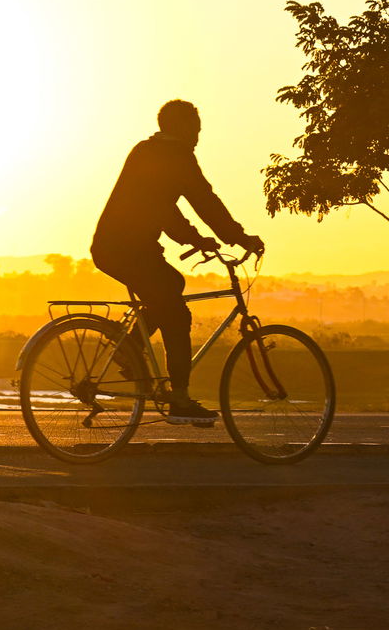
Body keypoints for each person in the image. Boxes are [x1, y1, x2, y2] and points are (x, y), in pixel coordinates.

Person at [90, 100, 264, 424]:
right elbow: (204, 200)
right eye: (195, 130)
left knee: (171, 285)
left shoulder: (146, 151)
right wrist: (240, 238)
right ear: (182, 128)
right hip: (128, 248)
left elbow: (162, 207)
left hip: (117, 246)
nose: (198, 138)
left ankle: (130, 348)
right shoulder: (177, 157)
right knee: (177, 315)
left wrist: (196, 239)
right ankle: (179, 397)